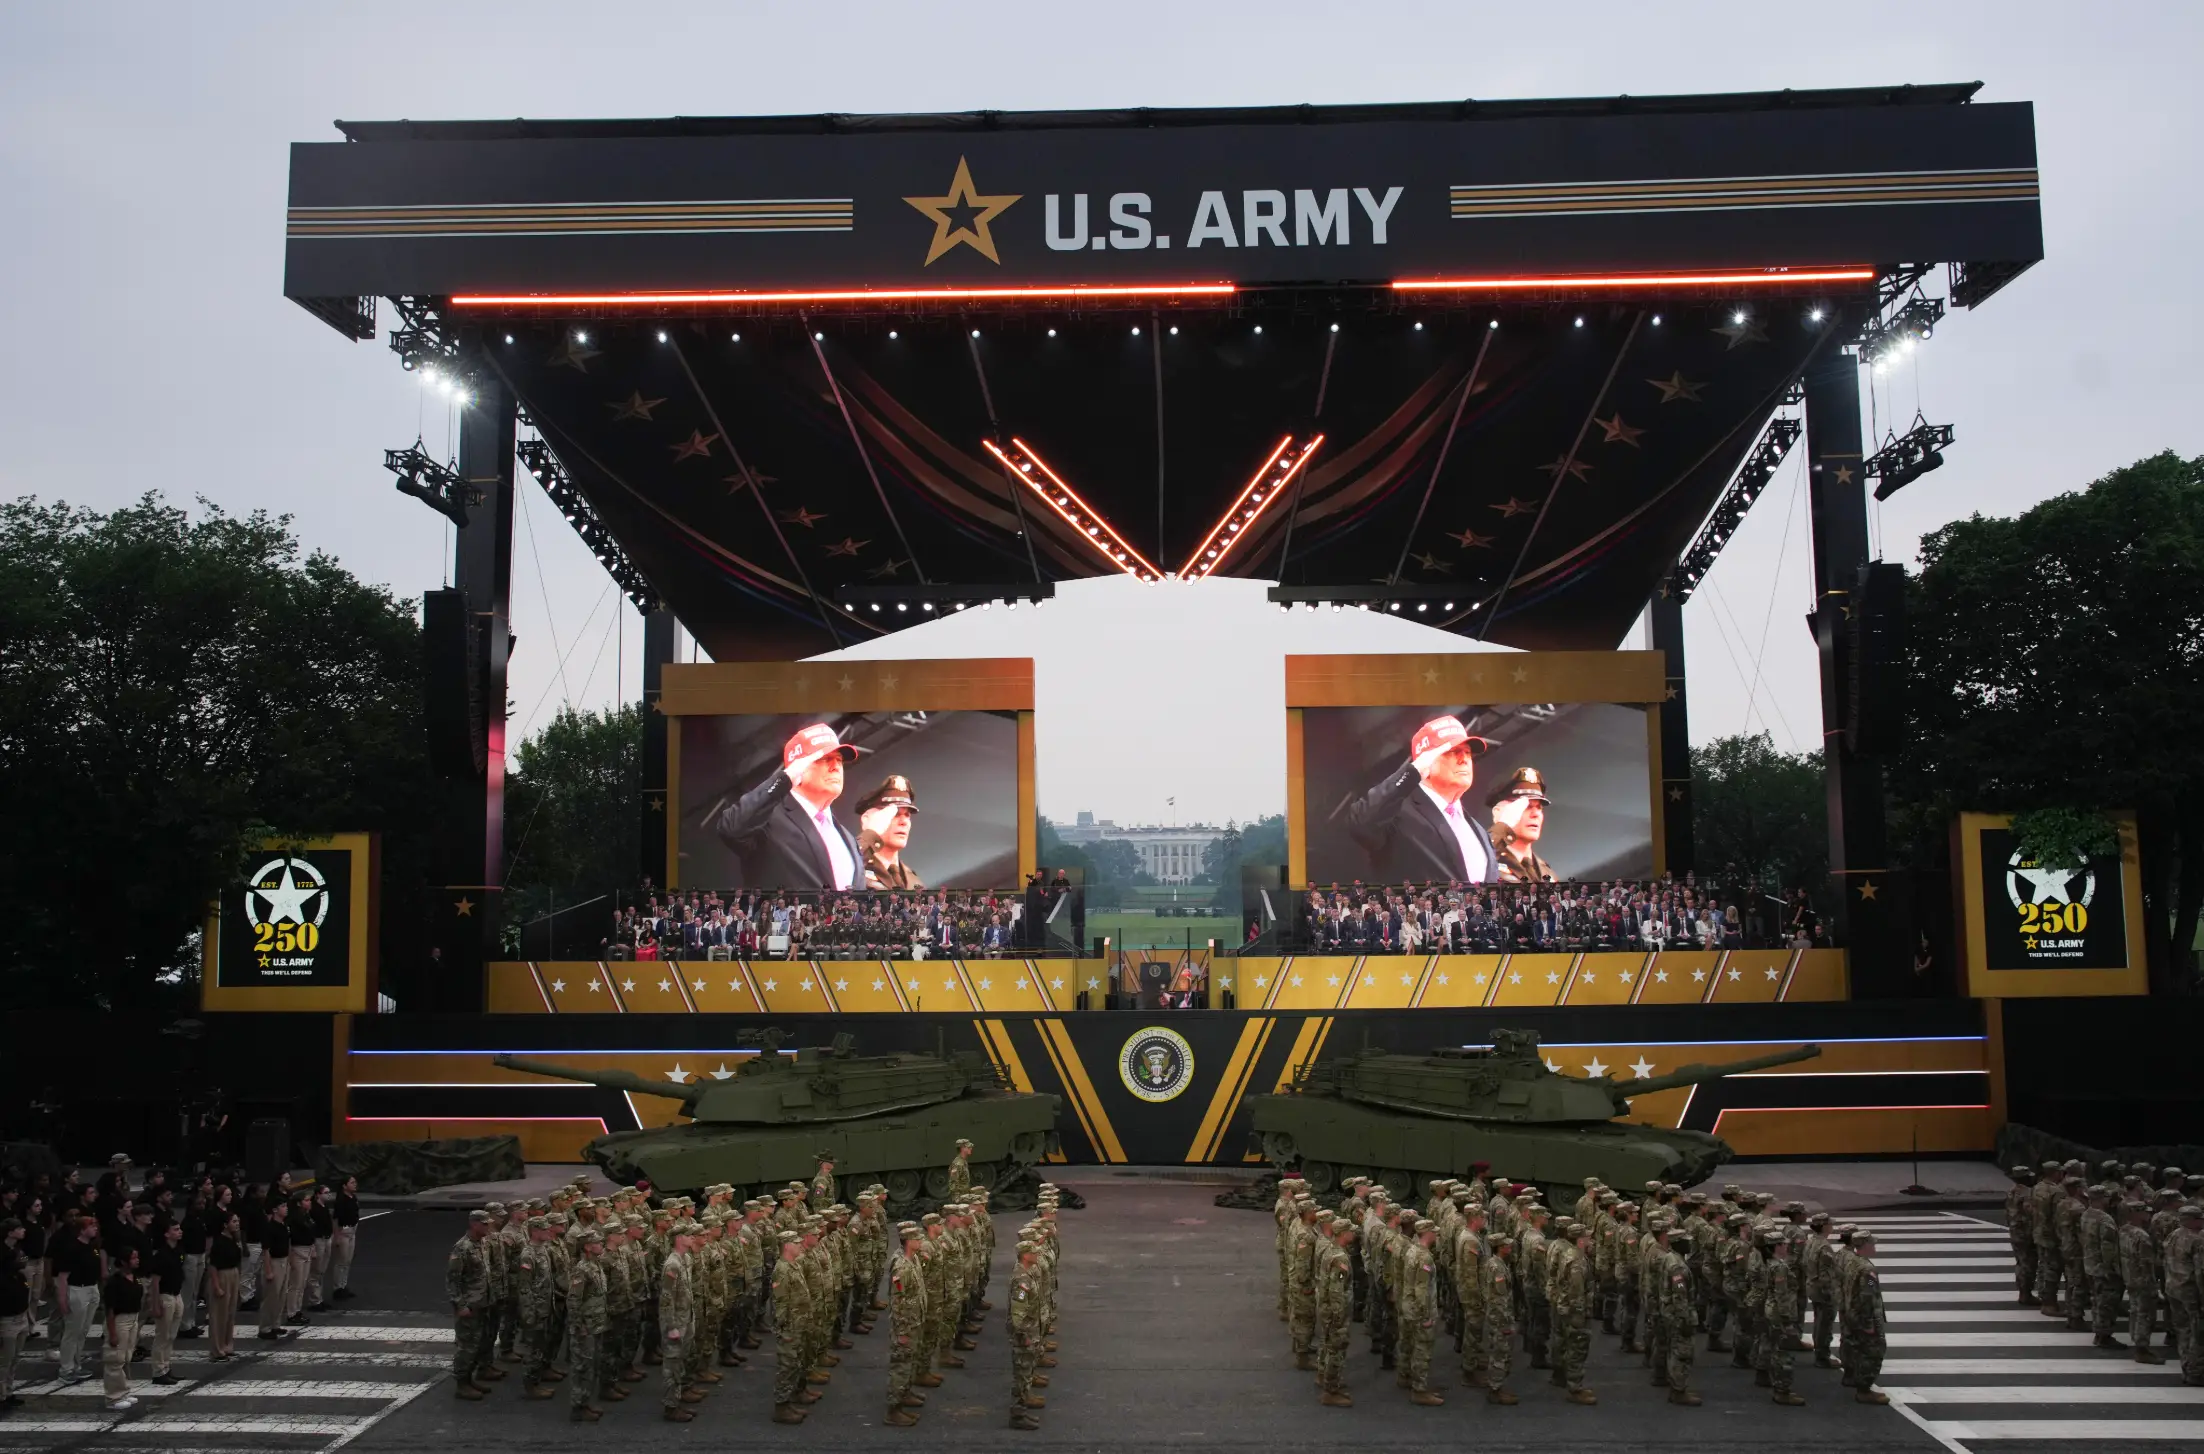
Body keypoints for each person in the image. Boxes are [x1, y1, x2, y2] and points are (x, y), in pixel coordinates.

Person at [704, 724, 866, 890]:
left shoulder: (848, 839)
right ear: (798, 767)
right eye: (824, 759)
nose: (836, 766)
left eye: (839, 760)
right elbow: (730, 827)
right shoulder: (768, 819)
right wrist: (785, 779)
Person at [1344, 716, 1501, 883]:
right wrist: (1413, 771)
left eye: (1468, 752)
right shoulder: (1397, 813)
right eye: (1453, 751)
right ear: (1426, 760)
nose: (1465, 760)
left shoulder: (1479, 832)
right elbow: (1360, 822)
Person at [447, 1209, 494, 1399]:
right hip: (470, 1305)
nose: (488, 1226)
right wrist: (460, 1305)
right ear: (474, 1224)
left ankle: (470, 1378)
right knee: (467, 1346)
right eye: (484, 1224)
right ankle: (461, 1383)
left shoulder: (481, 1243)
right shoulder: (462, 1248)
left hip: (482, 1302)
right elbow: (452, 1280)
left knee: (478, 1344)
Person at [51, 1213, 102, 1382]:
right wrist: (62, 1299)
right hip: (77, 1290)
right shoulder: (71, 1248)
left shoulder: (92, 1246)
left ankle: (76, 1364)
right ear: (82, 1229)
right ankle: (66, 1369)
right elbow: (62, 1277)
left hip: (92, 1288)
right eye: (91, 1226)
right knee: (72, 1332)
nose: (95, 1228)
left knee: (83, 1331)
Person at [1487, 767, 1558, 882]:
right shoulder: (1486, 864)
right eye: (1526, 806)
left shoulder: (1548, 874)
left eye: (1539, 808)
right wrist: (1503, 826)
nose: (1536, 814)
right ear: (1498, 813)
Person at [1842, 1228, 1889, 1402]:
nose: (1874, 1246)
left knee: (1857, 1348)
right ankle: (1864, 1389)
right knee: (1874, 1351)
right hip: (1866, 1315)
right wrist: (1869, 1322)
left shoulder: (1851, 1261)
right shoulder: (1868, 1270)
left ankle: (1853, 1377)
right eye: (1872, 1243)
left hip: (1852, 1312)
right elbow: (1869, 1293)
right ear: (1865, 1245)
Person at [567, 1230, 608, 1423]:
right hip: (585, 1327)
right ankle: (578, 1407)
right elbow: (574, 1301)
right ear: (587, 1247)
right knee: (582, 1367)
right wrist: (579, 1326)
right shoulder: (581, 1269)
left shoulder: (596, 1265)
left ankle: (586, 1401)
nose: (602, 1245)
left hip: (597, 1324)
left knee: (593, 1366)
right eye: (598, 1242)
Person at [857, 776, 925, 891]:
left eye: (907, 815)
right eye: (895, 814)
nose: (904, 822)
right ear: (867, 820)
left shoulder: (914, 881)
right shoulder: (854, 871)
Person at [100, 1245, 143, 1412]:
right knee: (115, 1359)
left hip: (133, 1319)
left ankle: (123, 1392)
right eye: (133, 1258)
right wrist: (112, 1333)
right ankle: (113, 1397)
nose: (137, 1260)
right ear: (124, 1261)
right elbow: (109, 1310)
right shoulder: (114, 1282)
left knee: (126, 1357)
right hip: (120, 1320)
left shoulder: (135, 1277)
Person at [144, 1220, 184, 1385]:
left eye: (179, 1228)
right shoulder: (161, 1255)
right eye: (175, 1229)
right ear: (166, 1234)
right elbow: (155, 1282)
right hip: (165, 1296)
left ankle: (167, 1367)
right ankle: (158, 1371)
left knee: (171, 1335)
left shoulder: (179, 1251)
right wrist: (154, 1304)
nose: (179, 1231)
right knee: (162, 1335)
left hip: (176, 1295)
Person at [206, 1210, 242, 1361]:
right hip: (222, 1276)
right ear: (225, 1225)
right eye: (234, 1221)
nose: (237, 1224)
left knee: (230, 1314)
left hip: (233, 1274)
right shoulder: (219, 1242)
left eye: (237, 1221)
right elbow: (212, 1265)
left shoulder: (233, 1239)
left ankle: (227, 1345)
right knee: (219, 1315)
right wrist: (216, 1286)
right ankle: (217, 1349)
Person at [0, 1220, 27, 1410]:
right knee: (4, 1360)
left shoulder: (14, 1252)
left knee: (15, 1358)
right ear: (10, 1232)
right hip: (7, 1316)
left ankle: (8, 1392)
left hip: (20, 1314)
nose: (23, 1230)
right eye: (19, 1228)